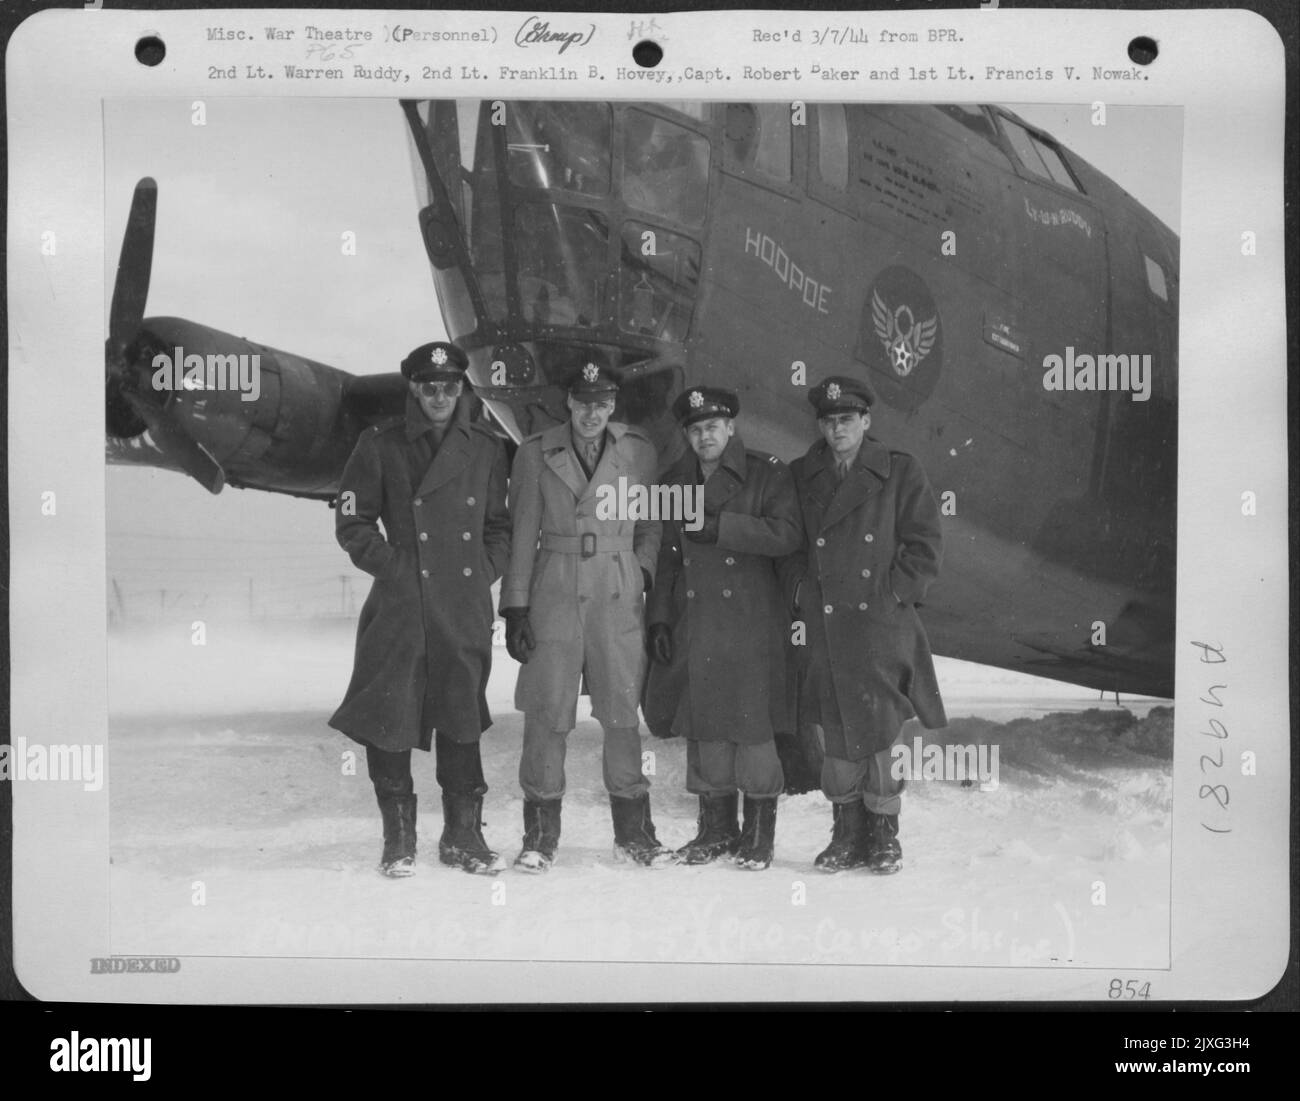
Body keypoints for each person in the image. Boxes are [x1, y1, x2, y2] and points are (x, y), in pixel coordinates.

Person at [330, 341, 511, 877]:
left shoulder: (487, 446)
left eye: (450, 386)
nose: (439, 396)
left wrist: (480, 573)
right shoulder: (378, 443)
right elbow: (351, 520)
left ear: (462, 389)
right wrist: (395, 568)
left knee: (462, 718)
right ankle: (399, 840)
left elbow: (498, 527)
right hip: (401, 607)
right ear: (413, 388)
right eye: (429, 387)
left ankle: (464, 838)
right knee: (390, 717)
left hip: (461, 603)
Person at [500, 361, 671, 871]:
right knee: (546, 713)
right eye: (583, 401)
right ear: (568, 403)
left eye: (602, 402)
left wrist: (639, 573)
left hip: (616, 593)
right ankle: (539, 838)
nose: (592, 412)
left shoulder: (638, 450)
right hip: (554, 587)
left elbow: (652, 524)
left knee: (621, 712)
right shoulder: (534, 453)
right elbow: (521, 534)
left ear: (613, 403)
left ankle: (635, 835)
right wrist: (516, 607)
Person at [780, 376, 947, 874]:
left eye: (847, 420)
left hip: (879, 625)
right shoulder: (801, 475)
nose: (837, 430)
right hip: (828, 624)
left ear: (866, 422)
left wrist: (893, 594)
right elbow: (790, 547)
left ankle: (883, 836)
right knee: (837, 737)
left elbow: (925, 544)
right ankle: (845, 833)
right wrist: (799, 594)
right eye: (829, 422)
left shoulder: (900, 471)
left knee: (880, 736)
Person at [645, 386, 802, 870]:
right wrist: (659, 619)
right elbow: (669, 560)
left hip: (752, 623)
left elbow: (788, 535)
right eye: (694, 429)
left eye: (712, 426)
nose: (703, 436)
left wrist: (723, 527)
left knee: (753, 732)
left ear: (730, 428)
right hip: (697, 622)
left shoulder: (766, 473)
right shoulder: (675, 483)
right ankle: (715, 830)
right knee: (706, 728)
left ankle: (758, 836)